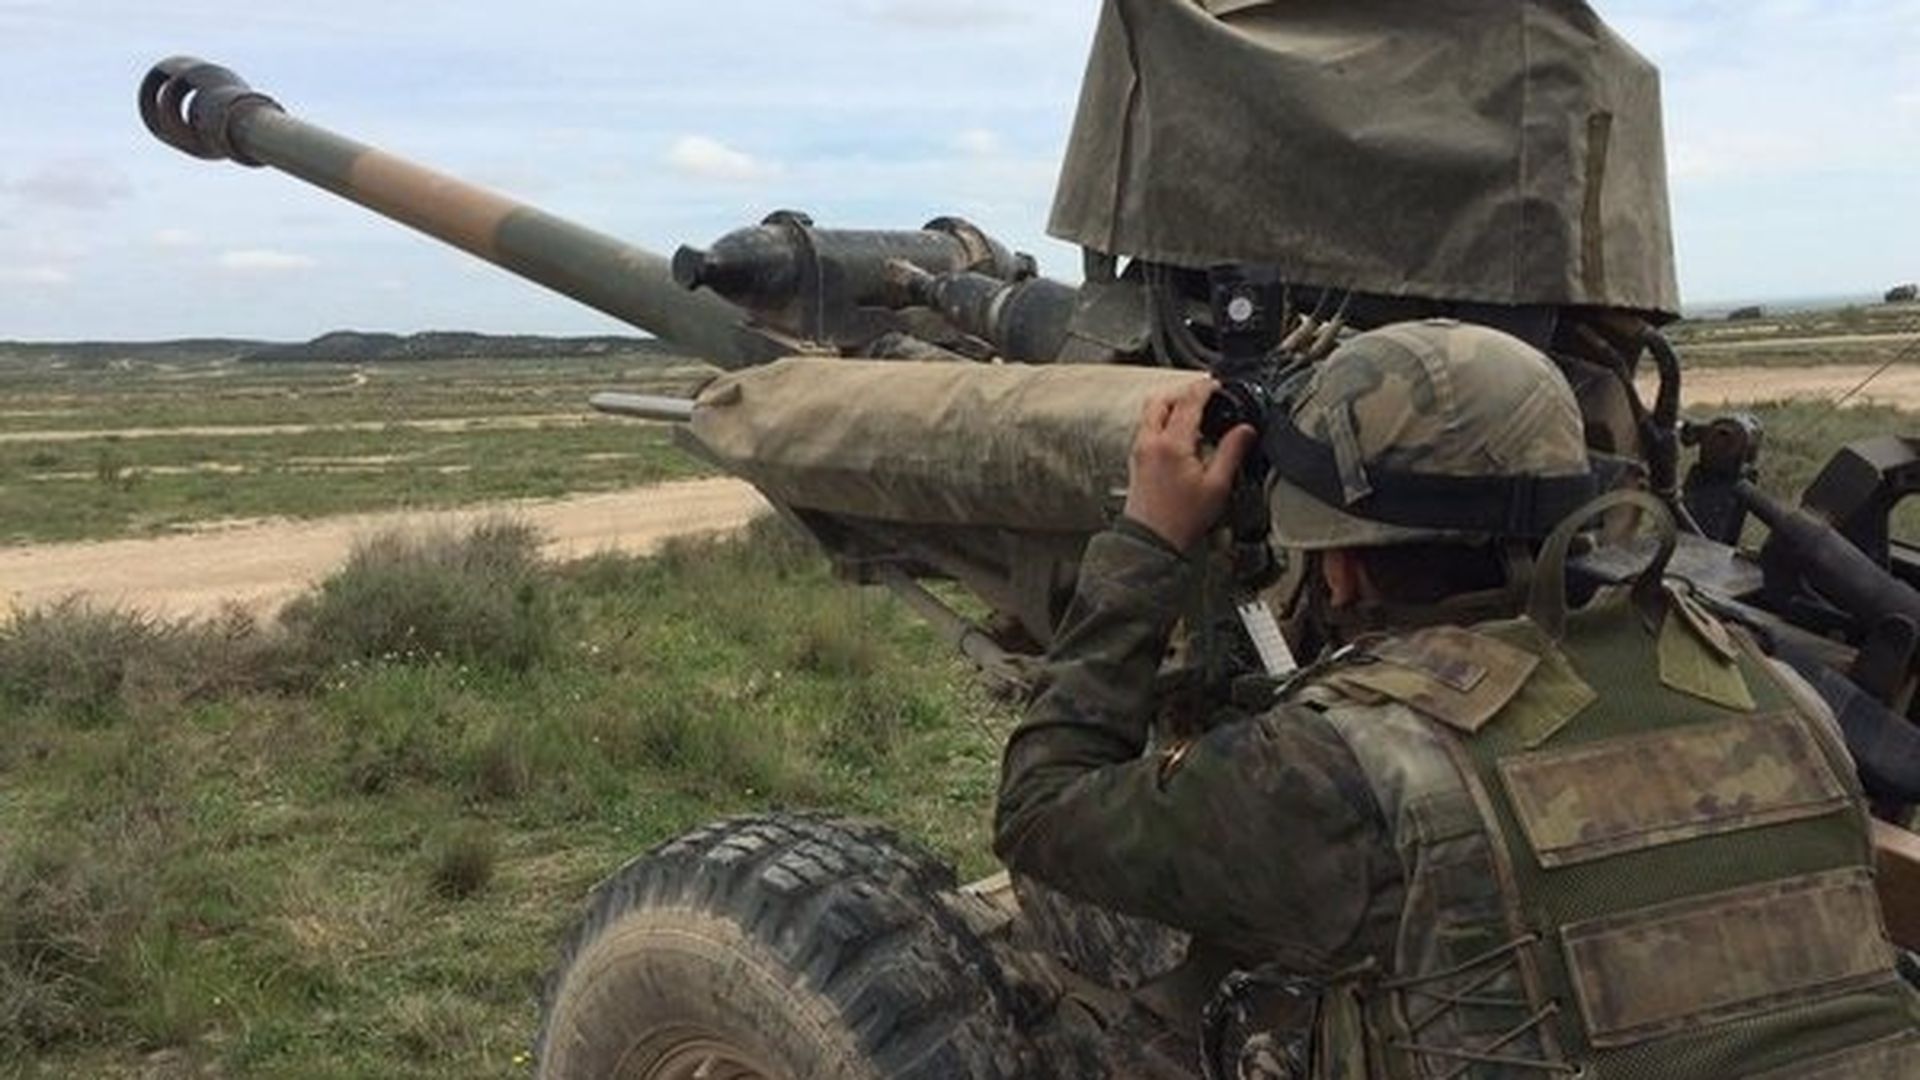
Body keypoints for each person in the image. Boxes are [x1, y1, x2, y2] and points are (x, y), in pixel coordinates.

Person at [994, 319, 1920, 1078]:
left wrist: (1150, 542)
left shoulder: (1351, 770)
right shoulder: (1776, 691)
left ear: (1344, 568)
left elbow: (1041, 808)